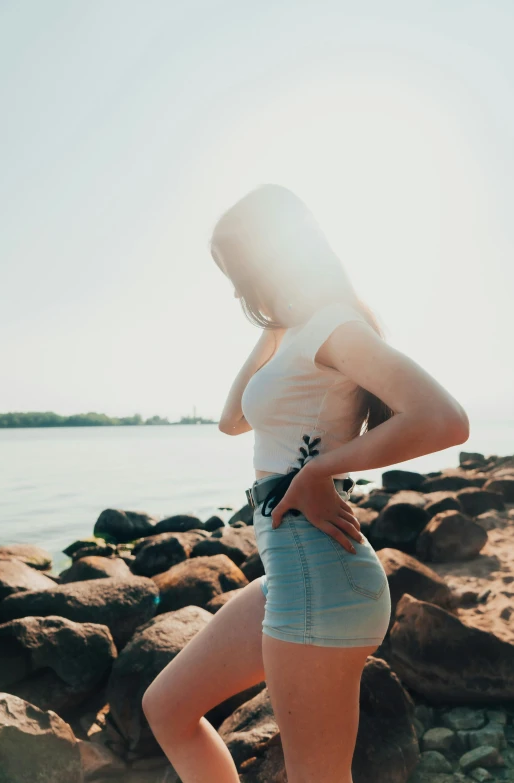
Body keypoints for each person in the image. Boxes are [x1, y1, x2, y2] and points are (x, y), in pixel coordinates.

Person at [142, 184, 469, 783]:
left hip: (320, 575)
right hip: (293, 572)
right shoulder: (292, 335)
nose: (237, 289)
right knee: (167, 707)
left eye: (239, 270)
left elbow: (444, 419)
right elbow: (230, 421)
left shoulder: (333, 328)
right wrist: (270, 328)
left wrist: (321, 470)